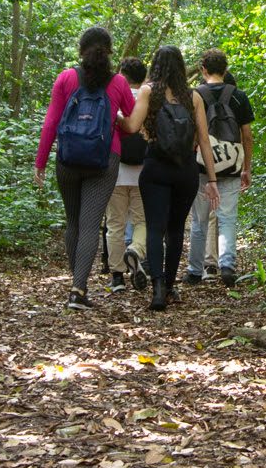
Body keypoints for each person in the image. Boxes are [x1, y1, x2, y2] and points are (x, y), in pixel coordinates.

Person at [35, 27, 141, 311]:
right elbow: (132, 124)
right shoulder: (118, 83)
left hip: (67, 159)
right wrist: (115, 120)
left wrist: (41, 162)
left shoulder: (66, 78)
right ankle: (78, 289)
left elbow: (51, 123)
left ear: (81, 51)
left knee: (74, 222)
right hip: (104, 161)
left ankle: (77, 282)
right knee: (91, 224)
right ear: (109, 52)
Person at [123, 45, 219, 311]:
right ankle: (170, 285)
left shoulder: (147, 92)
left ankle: (157, 289)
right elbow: (204, 140)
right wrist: (212, 180)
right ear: (181, 66)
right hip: (185, 170)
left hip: (155, 168)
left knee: (155, 228)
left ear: (155, 65)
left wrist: (118, 118)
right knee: (176, 230)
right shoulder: (194, 97)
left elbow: (131, 126)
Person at [185, 50, 253, 287]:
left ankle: (194, 270)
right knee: (227, 218)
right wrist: (247, 167)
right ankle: (227, 265)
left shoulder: (195, 96)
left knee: (199, 220)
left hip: (203, 166)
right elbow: (247, 136)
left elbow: (191, 134)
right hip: (232, 164)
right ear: (225, 69)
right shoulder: (239, 97)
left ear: (203, 69)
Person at [104, 56, 149, 292]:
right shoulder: (147, 99)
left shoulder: (114, 97)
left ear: (121, 74)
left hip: (115, 170)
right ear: (144, 77)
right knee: (142, 221)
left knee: (115, 224)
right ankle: (136, 250)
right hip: (143, 172)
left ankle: (118, 276)